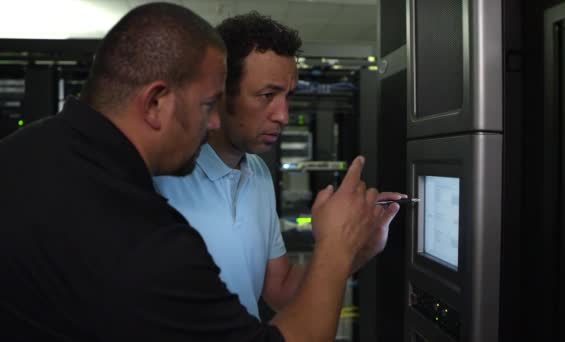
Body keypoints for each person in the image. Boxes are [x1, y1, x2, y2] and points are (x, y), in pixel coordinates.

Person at [0, 3, 395, 342]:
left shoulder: (36, 153)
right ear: (156, 102)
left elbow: (278, 289)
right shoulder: (139, 216)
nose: (209, 122)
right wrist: (334, 247)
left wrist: (353, 248)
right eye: (208, 103)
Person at [154, 11, 404, 319]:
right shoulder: (161, 177)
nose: (283, 115)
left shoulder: (258, 173)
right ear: (218, 92)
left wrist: (354, 248)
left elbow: (281, 289)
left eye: (288, 96)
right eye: (267, 95)